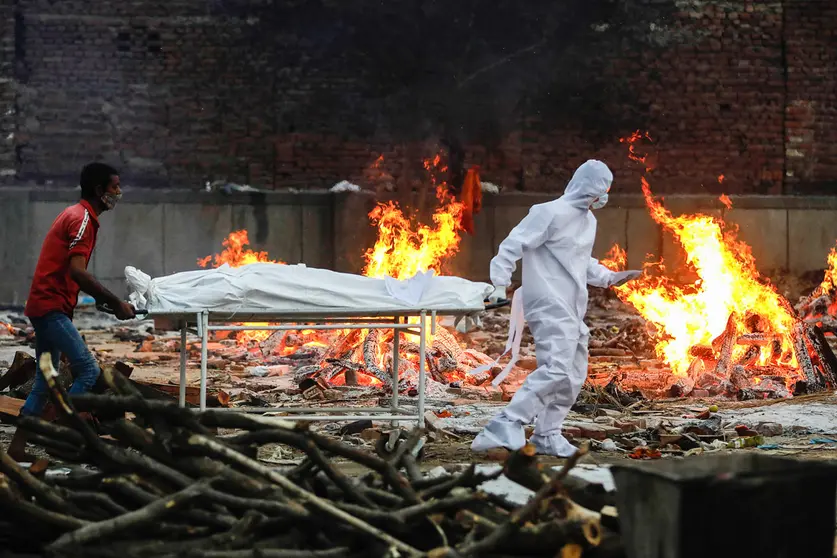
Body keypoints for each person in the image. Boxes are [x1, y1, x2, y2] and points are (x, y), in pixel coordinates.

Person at [472, 160, 641, 457]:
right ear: (586, 185)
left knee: (574, 371)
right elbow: (513, 245)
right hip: (547, 300)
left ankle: (548, 433)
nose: (602, 197)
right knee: (556, 368)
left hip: (572, 304)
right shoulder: (547, 212)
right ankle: (503, 426)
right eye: (600, 189)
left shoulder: (588, 221)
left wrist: (608, 278)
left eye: (607, 190)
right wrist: (499, 284)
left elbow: (579, 259)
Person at [7, 162, 136, 461]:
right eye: (114, 186)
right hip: (50, 307)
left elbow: (72, 275)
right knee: (88, 369)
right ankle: (64, 436)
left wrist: (103, 302)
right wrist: (116, 301)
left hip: (47, 305)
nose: (118, 192)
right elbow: (78, 272)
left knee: (44, 378)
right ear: (98, 190)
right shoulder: (82, 220)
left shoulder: (75, 215)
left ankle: (17, 446)